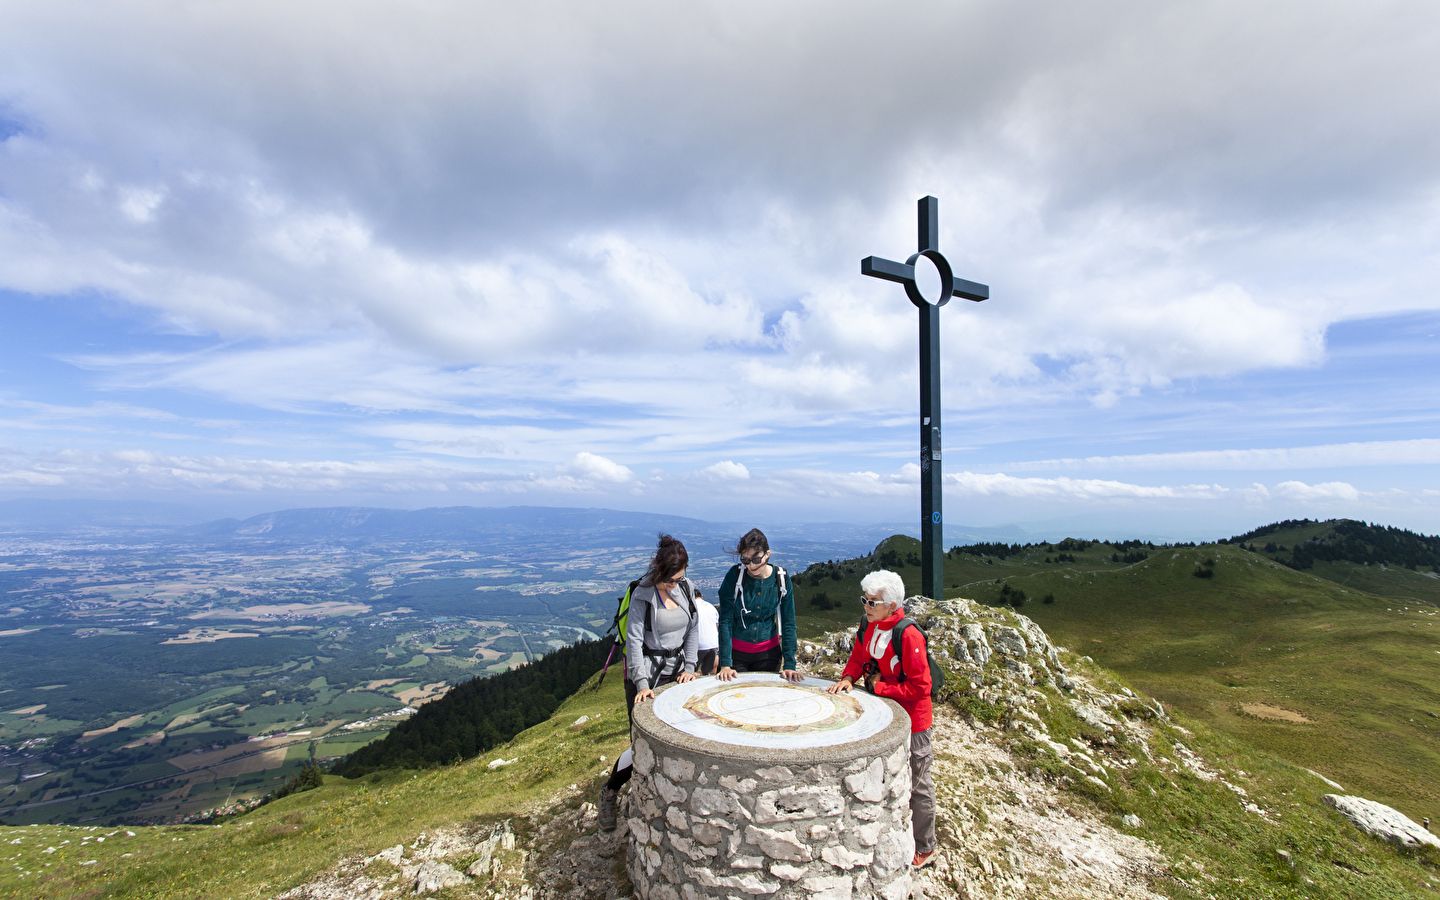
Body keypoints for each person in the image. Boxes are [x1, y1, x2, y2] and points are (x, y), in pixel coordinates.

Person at [827, 569, 936, 868]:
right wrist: (849, 677)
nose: (866, 606)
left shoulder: (909, 635)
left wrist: (879, 687)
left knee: (918, 782)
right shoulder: (869, 624)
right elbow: (860, 656)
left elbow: (921, 687)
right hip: (887, 712)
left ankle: (926, 846)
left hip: (915, 720)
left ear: (891, 603)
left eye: (872, 601)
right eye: (865, 599)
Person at [597, 534, 699, 832]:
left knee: (678, 735)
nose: (674, 584)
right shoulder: (643, 593)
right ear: (658, 570)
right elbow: (635, 641)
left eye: (679, 578)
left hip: (678, 673)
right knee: (641, 741)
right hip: (648, 677)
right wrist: (642, 684)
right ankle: (610, 791)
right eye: (669, 579)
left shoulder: (687, 588)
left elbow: (692, 630)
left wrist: (691, 667)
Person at [716, 528, 802, 682]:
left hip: (769, 656)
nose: (751, 565)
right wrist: (725, 664)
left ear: (767, 554)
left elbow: (789, 623)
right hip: (736, 657)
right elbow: (725, 621)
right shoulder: (733, 576)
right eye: (745, 560)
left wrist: (790, 664)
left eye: (756, 559)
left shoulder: (781, 579)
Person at [694, 589, 720, 676]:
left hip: (698, 644)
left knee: (690, 672)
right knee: (707, 672)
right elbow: (717, 625)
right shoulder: (711, 607)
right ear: (701, 596)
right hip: (713, 643)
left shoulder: (691, 607)